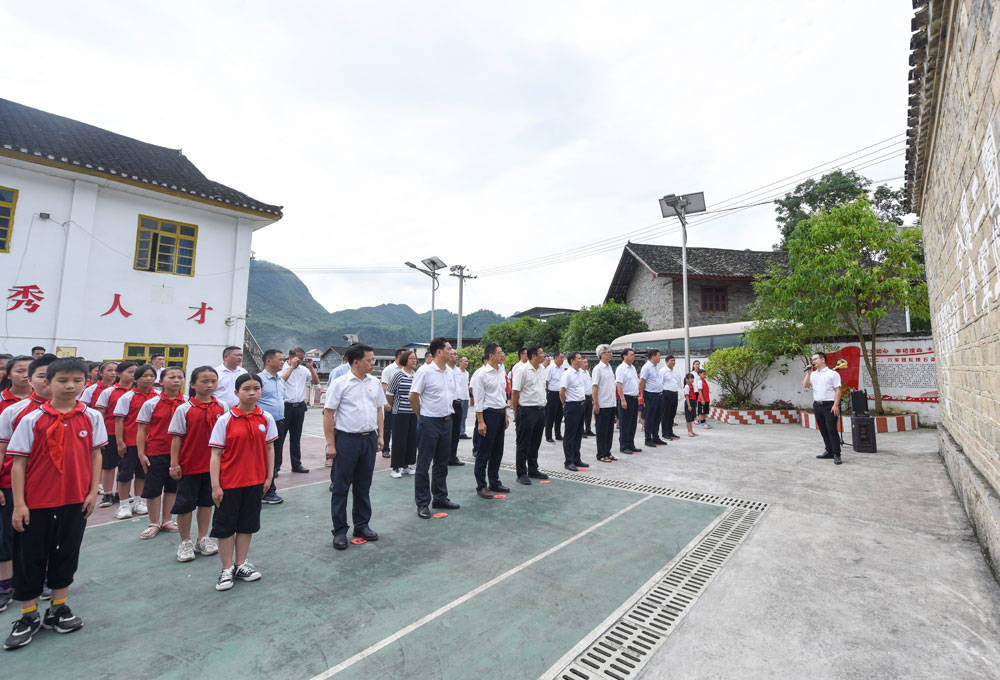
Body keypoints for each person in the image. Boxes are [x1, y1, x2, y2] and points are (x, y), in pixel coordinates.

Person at [3, 357, 105, 649]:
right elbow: (18, 464)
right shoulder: (31, 419)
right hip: (36, 503)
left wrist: (91, 492)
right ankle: (28, 615)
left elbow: (96, 454)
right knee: (30, 557)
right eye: (63, 380)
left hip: (74, 501)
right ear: (48, 382)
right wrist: (20, 504)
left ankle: (58, 607)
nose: (70, 386)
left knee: (67, 554)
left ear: (86, 382)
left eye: (77, 380)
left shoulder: (92, 417)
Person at [208, 373, 276, 591]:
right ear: (236, 393)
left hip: (255, 482)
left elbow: (270, 448)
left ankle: (241, 564)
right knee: (226, 527)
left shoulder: (266, 418)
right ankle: (226, 568)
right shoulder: (225, 420)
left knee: (247, 525)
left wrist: (268, 477)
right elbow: (216, 455)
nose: (252, 392)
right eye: (246, 388)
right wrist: (216, 486)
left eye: (256, 388)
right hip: (229, 483)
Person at [0, 355, 53, 615]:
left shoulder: (71, 411)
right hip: (12, 484)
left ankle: (41, 580)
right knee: (8, 536)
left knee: (42, 537)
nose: (46, 381)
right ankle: (6, 585)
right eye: (39, 375)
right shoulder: (13, 410)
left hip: (48, 487)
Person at [323, 344, 385, 550]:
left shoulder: (374, 383)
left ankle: (362, 525)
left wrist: (380, 435)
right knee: (341, 487)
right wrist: (330, 444)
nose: (373, 363)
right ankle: (340, 531)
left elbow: (379, 410)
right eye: (370, 360)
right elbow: (329, 413)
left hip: (368, 439)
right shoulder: (340, 383)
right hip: (346, 440)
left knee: (363, 485)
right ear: (356, 362)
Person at [168, 366, 223, 562]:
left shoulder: (221, 407)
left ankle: (202, 538)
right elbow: (176, 439)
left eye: (213, 381)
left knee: (207, 503)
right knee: (185, 505)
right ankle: (184, 542)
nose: (209, 385)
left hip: (212, 468)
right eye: (204, 381)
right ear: (192, 385)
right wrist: (174, 464)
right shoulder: (184, 409)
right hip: (189, 466)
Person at [408, 338, 459, 519]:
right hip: (429, 422)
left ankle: (440, 497)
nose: (452, 351)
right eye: (449, 349)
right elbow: (413, 396)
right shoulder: (425, 371)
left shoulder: (450, 372)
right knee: (423, 464)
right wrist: (421, 415)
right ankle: (422, 503)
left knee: (442, 463)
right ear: (439, 352)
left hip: (447, 421)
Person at [135, 366, 186, 540]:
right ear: (161, 381)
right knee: (154, 488)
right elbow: (141, 429)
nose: (177, 380)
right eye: (172, 377)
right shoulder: (151, 403)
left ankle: (167, 520)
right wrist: (141, 454)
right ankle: (154, 522)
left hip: (179, 453)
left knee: (173, 487)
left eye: (180, 377)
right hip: (156, 451)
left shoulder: (187, 402)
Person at [113, 365, 158, 518]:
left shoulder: (158, 396)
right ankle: (124, 504)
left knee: (143, 473)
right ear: (136, 379)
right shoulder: (127, 397)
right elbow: (119, 420)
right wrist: (120, 442)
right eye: (144, 376)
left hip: (149, 444)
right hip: (130, 442)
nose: (148, 379)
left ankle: (139, 501)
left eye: (151, 376)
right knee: (125, 474)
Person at [95, 361, 137, 516]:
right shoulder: (109, 392)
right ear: (119, 374)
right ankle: (107, 493)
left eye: (135, 372)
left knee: (126, 465)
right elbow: (100, 413)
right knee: (108, 464)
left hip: (131, 435)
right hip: (111, 433)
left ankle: (122, 493)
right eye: (130, 372)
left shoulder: (137, 393)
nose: (133, 375)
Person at [471, 343, 509, 498]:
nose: (503, 355)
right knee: (484, 452)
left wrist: (505, 414)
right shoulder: (481, 374)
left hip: (500, 414)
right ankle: (481, 485)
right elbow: (478, 400)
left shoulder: (502, 370)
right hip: (488, 415)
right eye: (500, 352)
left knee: (497, 451)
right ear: (491, 355)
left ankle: (494, 481)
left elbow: (502, 395)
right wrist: (481, 421)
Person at [511, 345, 549, 485]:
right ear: (533, 356)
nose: (543, 355)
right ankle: (521, 473)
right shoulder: (522, 370)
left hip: (540, 410)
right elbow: (515, 393)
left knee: (535, 442)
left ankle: (533, 469)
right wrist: (516, 412)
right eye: (541, 353)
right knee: (523, 443)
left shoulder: (542, 369)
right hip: (527, 410)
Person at [280, 347, 317, 473]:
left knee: (296, 438)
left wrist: (311, 367)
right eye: (298, 358)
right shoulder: (282, 368)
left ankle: (296, 464)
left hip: (299, 407)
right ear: (290, 357)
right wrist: (292, 367)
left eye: (302, 358)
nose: (300, 361)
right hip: (285, 407)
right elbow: (281, 381)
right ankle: (276, 467)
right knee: (280, 437)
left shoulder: (304, 370)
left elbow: (315, 381)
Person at [257, 349, 286, 505]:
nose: (282, 362)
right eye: (280, 359)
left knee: (276, 457)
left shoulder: (280, 380)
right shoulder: (259, 380)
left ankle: (269, 487)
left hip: (280, 423)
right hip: (264, 425)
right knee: (265, 457)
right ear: (268, 361)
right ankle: (267, 491)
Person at [805, 351, 843, 465]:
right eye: (812, 360)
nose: (813, 361)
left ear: (823, 360)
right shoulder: (813, 374)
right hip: (817, 405)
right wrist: (808, 373)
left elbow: (838, 390)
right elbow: (805, 385)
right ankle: (829, 451)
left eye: (815, 359)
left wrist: (835, 405)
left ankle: (837, 454)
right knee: (823, 430)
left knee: (831, 430)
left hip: (830, 406)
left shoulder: (833, 374)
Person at [386, 351, 418, 477]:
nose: (414, 361)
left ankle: (406, 465)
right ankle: (395, 468)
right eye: (411, 358)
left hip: (413, 412)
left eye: (415, 359)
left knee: (411, 440)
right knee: (399, 440)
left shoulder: (416, 375)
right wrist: (394, 405)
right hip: (399, 413)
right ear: (405, 360)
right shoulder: (398, 375)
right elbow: (389, 394)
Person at [560, 352, 591, 471]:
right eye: (579, 358)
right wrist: (565, 405)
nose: (581, 360)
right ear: (572, 361)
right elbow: (562, 392)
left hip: (581, 405)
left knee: (578, 434)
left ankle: (577, 458)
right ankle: (569, 461)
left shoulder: (580, 373)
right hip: (572, 406)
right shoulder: (567, 374)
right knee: (570, 435)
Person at [592, 344, 618, 463]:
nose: (610, 354)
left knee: (609, 431)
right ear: (601, 354)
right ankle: (601, 454)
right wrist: (596, 404)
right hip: (602, 404)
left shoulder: (609, 367)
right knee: (601, 431)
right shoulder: (598, 369)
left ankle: (608, 452)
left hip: (611, 403)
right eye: (608, 352)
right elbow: (595, 387)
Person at [380, 350, 406, 459]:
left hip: (403, 404)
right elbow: (384, 386)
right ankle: (386, 449)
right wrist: (387, 402)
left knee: (401, 428)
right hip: (391, 403)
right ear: (399, 356)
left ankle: (399, 449)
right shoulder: (389, 369)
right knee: (388, 427)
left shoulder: (406, 369)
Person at [615, 349, 641, 454]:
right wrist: (622, 400)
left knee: (633, 423)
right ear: (624, 356)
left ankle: (631, 444)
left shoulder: (633, 368)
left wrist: (638, 396)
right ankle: (624, 446)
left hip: (634, 398)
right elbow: (619, 385)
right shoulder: (621, 369)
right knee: (625, 424)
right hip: (626, 398)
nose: (633, 357)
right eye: (631, 355)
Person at [639, 350, 667, 448]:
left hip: (659, 395)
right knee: (650, 417)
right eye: (658, 356)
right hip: (650, 395)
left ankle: (655, 437)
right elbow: (642, 382)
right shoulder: (646, 367)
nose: (660, 358)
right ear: (653, 356)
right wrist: (642, 396)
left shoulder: (656, 367)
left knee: (657, 417)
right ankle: (648, 439)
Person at [446, 349, 466, 467]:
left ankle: (453, 456)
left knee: (456, 432)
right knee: (447, 431)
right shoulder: (445, 370)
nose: (455, 356)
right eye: (453, 354)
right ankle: (445, 456)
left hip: (458, 403)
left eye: (456, 354)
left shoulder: (459, 371)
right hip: (449, 403)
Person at [213, 346, 247, 411]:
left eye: (241, 355)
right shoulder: (215, 372)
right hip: (218, 410)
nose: (240, 358)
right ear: (226, 357)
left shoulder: (243, 372)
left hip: (239, 411)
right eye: (237, 355)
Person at [544, 352, 566, 442]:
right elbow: (546, 382)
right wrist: (547, 394)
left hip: (560, 394)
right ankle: (548, 436)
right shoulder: (550, 368)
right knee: (550, 416)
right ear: (556, 358)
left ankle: (558, 434)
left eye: (563, 358)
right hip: (552, 394)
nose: (563, 359)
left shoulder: (563, 369)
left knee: (559, 415)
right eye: (561, 357)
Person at [659, 355, 681, 441]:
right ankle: (665, 433)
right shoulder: (662, 371)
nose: (673, 362)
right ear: (667, 361)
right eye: (672, 360)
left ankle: (670, 431)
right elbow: (660, 383)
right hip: (666, 393)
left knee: (672, 413)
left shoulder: (674, 371)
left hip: (674, 393)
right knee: (666, 414)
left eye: (674, 361)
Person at [455, 355, 471, 439]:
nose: (466, 363)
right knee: (458, 416)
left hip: (466, 397)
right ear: (460, 362)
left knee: (464, 416)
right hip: (459, 397)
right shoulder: (456, 371)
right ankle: (457, 432)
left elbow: (466, 385)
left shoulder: (467, 373)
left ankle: (462, 432)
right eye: (464, 361)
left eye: (467, 361)